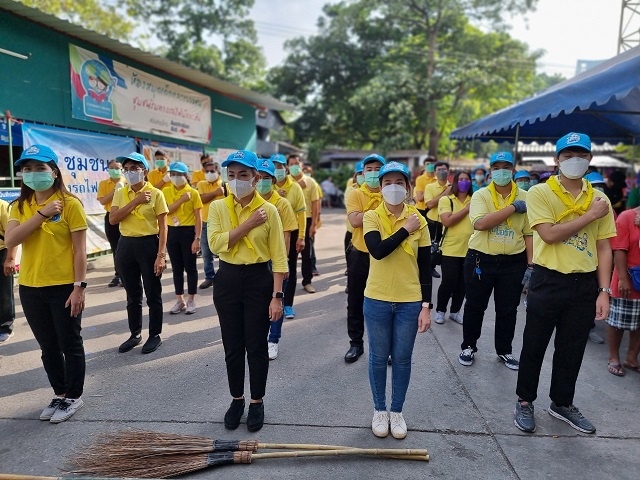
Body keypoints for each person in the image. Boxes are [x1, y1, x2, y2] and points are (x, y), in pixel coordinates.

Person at [514, 132, 616, 435]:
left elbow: (604, 246)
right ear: (557, 159)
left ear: (590, 159)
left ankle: (562, 402)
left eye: (581, 155)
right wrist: (590, 215)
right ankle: (524, 401)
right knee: (535, 343)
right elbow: (549, 234)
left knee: (572, 348)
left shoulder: (600, 198)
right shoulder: (540, 192)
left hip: (584, 283)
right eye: (568, 155)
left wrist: (604, 291)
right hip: (548, 279)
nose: (575, 160)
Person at [5, 144, 88, 423]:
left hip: (64, 285)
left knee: (69, 342)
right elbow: (11, 240)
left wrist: (79, 287)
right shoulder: (19, 206)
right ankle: (60, 392)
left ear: (54, 172)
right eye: (27, 169)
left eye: (39, 168)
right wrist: (41, 215)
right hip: (30, 286)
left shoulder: (71, 204)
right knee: (47, 346)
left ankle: (74, 396)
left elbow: (79, 250)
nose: (32, 173)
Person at [207, 149, 287, 432]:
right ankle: (236, 399)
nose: (237, 180)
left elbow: (279, 256)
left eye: (243, 175)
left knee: (256, 346)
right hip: (227, 279)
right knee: (232, 346)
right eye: (232, 175)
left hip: (258, 280)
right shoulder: (217, 207)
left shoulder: (271, 210)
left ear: (256, 178)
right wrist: (249, 223)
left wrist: (277, 296)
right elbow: (216, 245)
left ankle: (256, 400)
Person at [363, 161, 432, 439]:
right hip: (377, 298)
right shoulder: (372, 217)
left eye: (399, 183)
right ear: (380, 188)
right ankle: (380, 410)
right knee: (379, 358)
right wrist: (405, 229)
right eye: (387, 183)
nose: (393, 188)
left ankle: (397, 411)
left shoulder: (420, 219)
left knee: (402, 359)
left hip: (409, 300)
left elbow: (426, 265)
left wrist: (426, 305)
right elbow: (378, 251)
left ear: (408, 187)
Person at [459, 152, 533, 371]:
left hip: (513, 262)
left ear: (513, 169)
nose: (502, 171)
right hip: (481, 259)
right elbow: (481, 224)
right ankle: (468, 346)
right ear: (491, 171)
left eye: (506, 167)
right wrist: (512, 208)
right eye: (497, 167)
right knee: (475, 306)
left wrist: (531, 265)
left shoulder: (526, 197)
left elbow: (529, 233)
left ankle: (504, 351)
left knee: (508, 309)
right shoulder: (481, 195)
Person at [109, 152, 168, 354]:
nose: (130, 172)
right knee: (132, 294)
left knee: (153, 292)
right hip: (126, 246)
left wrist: (161, 255)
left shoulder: (156, 194)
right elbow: (113, 219)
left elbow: (163, 227)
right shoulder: (121, 192)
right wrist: (136, 201)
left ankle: (155, 335)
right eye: (127, 169)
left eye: (135, 168)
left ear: (145, 171)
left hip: (148, 244)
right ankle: (135, 334)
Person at [254, 158, 297, 360]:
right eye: (259, 178)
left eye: (266, 178)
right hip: (256, 259)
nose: (262, 181)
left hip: (275, 260)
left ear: (273, 180)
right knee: (258, 302)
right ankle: (259, 336)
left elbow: (287, 236)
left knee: (276, 300)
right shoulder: (250, 200)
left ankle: (273, 340)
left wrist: (284, 263)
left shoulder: (282, 203)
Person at [345, 153, 386, 362]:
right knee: (355, 300)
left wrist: (367, 214)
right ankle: (356, 343)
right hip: (360, 253)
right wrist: (382, 211)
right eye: (368, 169)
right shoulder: (355, 194)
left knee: (384, 302)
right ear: (362, 172)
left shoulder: (391, 192)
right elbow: (354, 221)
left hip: (385, 255)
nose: (372, 173)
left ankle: (384, 347)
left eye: (377, 169)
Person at [434, 171, 473, 325]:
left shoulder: (475, 199)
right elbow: (447, 221)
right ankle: (440, 310)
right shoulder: (446, 200)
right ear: (455, 182)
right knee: (448, 281)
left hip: (470, 249)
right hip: (450, 249)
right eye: (461, 179)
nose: (464, 182)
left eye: (467, 179)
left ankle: (455, 311)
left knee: (463, 283)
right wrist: (466, 209)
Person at [164, 161, 203, 314]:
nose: (175, 177)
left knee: (190, 268)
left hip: (188, 233)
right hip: (172, 232)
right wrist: (181, 200)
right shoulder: (166, 191)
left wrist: (197, 238)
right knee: (176, 269)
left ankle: (191, 299)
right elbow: (166, 211)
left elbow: (199, 218)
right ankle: (179, 300)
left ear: (186, 175)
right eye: (172, 174)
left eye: (178, 174)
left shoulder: (193, 192)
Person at [606, 207, 640, 376]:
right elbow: (619, 249)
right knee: (618, 321)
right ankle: (614, 358)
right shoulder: (627, 217)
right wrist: (623, 279)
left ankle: (632, 358)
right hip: (628, 278)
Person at [271, 154, 306, 319]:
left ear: (286, 168)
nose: (278, 170)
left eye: (280, 166)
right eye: (275, 166)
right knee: (270, 270)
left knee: (289, 270)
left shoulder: (295, 187)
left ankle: (288, 304)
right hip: (269, 235)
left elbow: (301, 213)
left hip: (290, 235)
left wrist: (301, 236)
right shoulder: (265, 187)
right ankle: (271, 301)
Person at [287, 154, 320, 294]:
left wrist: (314, 224)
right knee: (290, 254)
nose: (295, 166)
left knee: (307, 254)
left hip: (305, 220)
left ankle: (307, 281)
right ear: (288, 166)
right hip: (289, 222)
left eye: (297, 163)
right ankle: (288, 281)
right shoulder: (285, 181)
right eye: (292, 163)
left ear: (301, 164)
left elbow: (315, 203)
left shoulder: (311, 182)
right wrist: (297, 186)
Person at [196, 161, 225, 289]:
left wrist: (219, 192)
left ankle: (224, 277)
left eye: (212, 171)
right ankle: (210, 277)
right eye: (207, 171)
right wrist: (215, 193)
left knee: (223, 252)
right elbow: (201, 199)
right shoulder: (201, 184)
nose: (209, 173)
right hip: (205, 223)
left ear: (218, 172)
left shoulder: (225, 185)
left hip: (221, 224)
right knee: (206, 253)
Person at [97, 159, 125, 287]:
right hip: (110, 217)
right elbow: (103, 201)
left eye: (117, 167)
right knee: (115, 247)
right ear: (108, 169)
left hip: (125, 216)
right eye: (112, 167)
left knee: (126, 247)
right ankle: (117, 275)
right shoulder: (104, 184)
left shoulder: (127, 181)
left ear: (121, 169)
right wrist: (115, 190)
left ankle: (127, 275)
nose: (115, 170)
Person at [423, 161, 452, 278]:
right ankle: (428, 267)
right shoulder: (430, 187)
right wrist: (446, 193)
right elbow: (429, 204)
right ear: (435, 172)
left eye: (444, 169)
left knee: (442, 246)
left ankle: (436, 265)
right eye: (439, 170)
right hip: (432, 220)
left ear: (448, 171)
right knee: (430, 245)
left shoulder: (453, 187)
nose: (441, 172)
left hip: (446, 220)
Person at [1, 198, 18, 342]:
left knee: (4, 292)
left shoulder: (3, 206)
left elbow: (12, 235)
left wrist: (10, 259)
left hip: (1, 252)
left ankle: (5, 326)